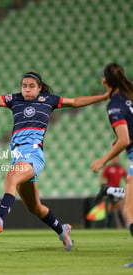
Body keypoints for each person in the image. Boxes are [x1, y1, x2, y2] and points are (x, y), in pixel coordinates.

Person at [0, 72, 110, 251]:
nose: (27, 89)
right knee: (35, 208)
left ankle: (1, 215)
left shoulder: (48, 100)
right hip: (18, 157)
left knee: (11, 177)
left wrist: (103, 97)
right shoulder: (15, 100)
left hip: (33, 154)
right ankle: (62, 230)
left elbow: (74, 102)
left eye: (31, 86)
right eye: (24, 85)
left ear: (39, 87)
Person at [90, 63, 133, 246]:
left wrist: (103, 160)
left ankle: (110, 190)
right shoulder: (130, 96)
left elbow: (125, 141)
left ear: (104, 80)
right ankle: (111, 190)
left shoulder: (114, 105)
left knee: (129, 212)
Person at [97, 156, 126, 228]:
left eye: (117, 158)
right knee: (115, 206)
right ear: (112, 159)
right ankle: (122, 226)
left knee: (112, 207)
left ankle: (107, 226)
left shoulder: (121, 168)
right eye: (114, 158)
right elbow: (103, 178)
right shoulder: (108, 168)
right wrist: (104, 189)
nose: (116, 160)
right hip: (110, 190)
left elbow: (127, 178)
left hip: (117, 190)